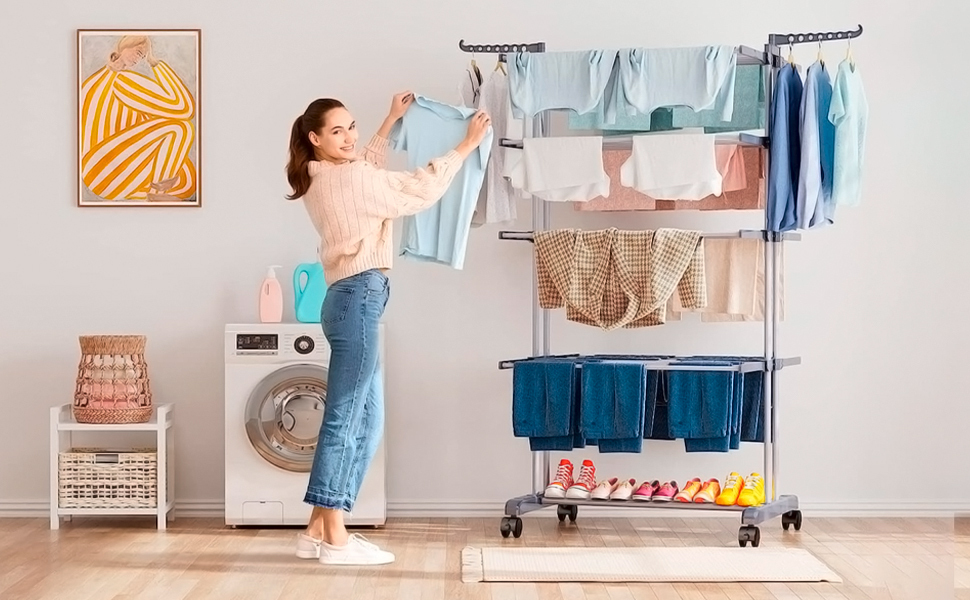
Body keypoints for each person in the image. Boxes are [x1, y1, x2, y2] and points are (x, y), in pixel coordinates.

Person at [285, 92, 491, 565]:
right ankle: (335, 535)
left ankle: (316, 528)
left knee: (367, 420)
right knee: (344, 417)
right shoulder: (351, 177)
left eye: (352, 127)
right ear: (315, 138)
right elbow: (415, 190)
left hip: (346, 300)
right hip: (358, 299)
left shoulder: (319, 177)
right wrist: (466, 144)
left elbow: (364, 170)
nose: (350, 137)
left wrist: (388, 121)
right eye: (338, 131)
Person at [80, 35, 197, 202]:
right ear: (124, 46)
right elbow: (185, 108)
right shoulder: (122, 82)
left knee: (188, 180)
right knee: (180, 128)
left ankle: (156, 193)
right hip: (105, 169)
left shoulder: (96, 80)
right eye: (138, 52)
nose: (139, 59)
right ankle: (156, 197)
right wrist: (154, 62)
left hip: (103, 172)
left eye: (143, 56)